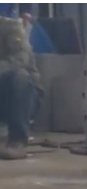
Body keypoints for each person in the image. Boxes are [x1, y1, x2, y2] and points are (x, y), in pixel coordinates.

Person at [0, 7, 40, 160]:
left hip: (20, 95)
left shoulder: (11, 27)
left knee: (20, 76)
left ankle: (17, 142)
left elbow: (20, 61)